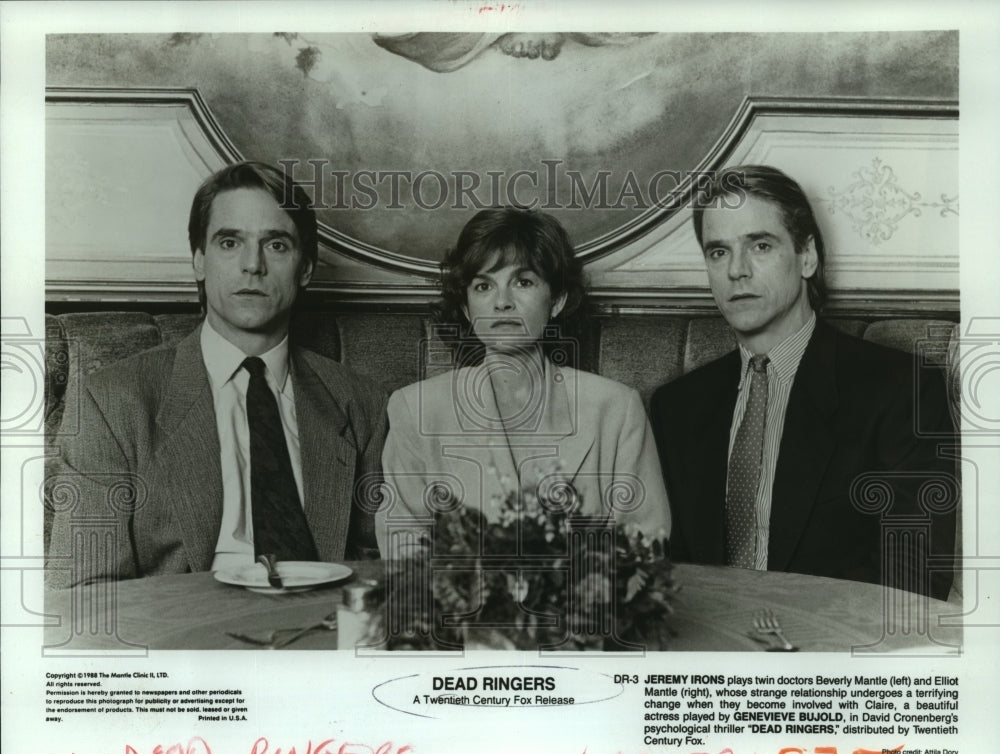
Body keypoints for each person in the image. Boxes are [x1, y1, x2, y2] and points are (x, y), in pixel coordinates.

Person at [46, 161, 387, 588]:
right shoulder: (113, 401)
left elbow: (383, 572)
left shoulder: (362, 404)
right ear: (199, 261)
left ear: (305, 269)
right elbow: (84, 592)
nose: (252, 265)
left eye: (276, 245)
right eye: (230, 242)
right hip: (183, 641)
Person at [649, 165, 957, 599]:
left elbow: (915, 578)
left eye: (760, 245)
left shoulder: (901, 389)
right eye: (718, 252)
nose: (737, 270)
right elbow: (660, 568)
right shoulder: (676, 406)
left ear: (807, 255)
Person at [376, 207, 670, 556]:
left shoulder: (617, 409)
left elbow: (644, 549)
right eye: (483, 285)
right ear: (468, 309)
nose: (502, 302)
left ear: (557, 300)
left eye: (523, 282)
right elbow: (404, 546)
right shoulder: (416, 409)